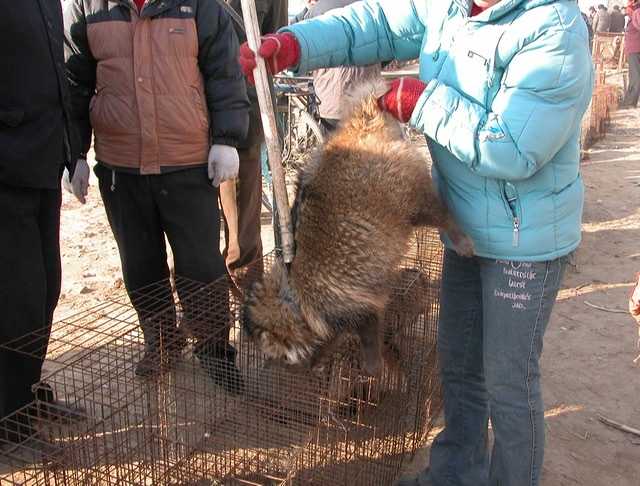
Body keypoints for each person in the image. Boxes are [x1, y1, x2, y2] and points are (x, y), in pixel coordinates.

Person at [239, 0, 593, 485]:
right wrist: (296, 44)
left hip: (522, 240)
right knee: (461, 368)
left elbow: (514, 149)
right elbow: (375, 22)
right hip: (466, 223)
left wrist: (423, 102)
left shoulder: (553, 28)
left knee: (509, 381)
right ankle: (455, 475)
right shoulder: (449, 6)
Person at [63, 0, 249, 393]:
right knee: (140, 265)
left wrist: (227, 139)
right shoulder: (89, 8)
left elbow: (225, 74)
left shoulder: (199, 8)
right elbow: (74, 86)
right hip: (121, 167)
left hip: (187, 163)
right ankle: (162, 342)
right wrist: (75, 153)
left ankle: (215, 351)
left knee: (201, 265)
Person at [0, 1, 81, 440]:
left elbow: (56, 74)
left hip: (42, 165)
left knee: (46, 289)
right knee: (18, 302)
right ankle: (10, 422)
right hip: (7, 169)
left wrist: (74, 153)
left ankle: (24, 396)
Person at [221, 0, 289, 291]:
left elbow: (276, 41)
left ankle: (249, 314)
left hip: (244, 114)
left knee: (243, 236)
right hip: (188, 120)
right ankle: (205, 317)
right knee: (191, 237)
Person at [294, 0, 381, 132]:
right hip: (367, 100)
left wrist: (307, 9)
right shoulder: (372, 6)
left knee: (333, 149)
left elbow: (296, 40)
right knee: (369, 148)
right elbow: (388, 53)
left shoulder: (319, 9)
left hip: (332, 102)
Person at [622, 1, 640, 108]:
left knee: (635, 76)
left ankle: (630, 102)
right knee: (635, 75)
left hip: (635, 48)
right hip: (634, 47)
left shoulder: (637, 12)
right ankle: (629, 100)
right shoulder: (635, 13)